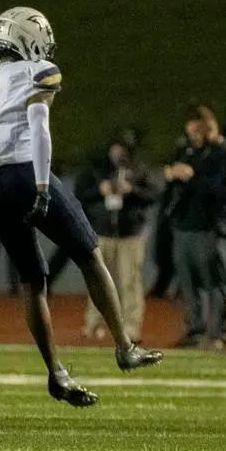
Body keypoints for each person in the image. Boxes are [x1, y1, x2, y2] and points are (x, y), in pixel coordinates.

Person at [0, 6, 161, 407]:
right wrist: (43, 186)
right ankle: (124, 346)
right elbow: (38, 124)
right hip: (26, 172)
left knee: (32, 281)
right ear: (29, 38)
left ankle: (57, 373)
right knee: (89, 254)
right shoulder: (38, 71)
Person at [74, 135, 163, 341]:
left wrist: (132, 191)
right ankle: (94, 323)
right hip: (102, 233)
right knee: (99, 281)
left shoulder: (139, 168)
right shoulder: (97, 168)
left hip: (130, 235)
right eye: (115, 149)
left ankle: (131, 327)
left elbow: (154, 195)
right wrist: (99, 190)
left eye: (122, 149)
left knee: (129, 282)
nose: (118, 153)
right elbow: (80, 194)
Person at [165, 104, 226, 349]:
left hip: (211, 226)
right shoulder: (187, 152)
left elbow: (223, 190)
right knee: (189, 283)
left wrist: (190, 176)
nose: (194, 135)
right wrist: (172, 175)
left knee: (216, 281)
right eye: (191, 131)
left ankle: (219, 332)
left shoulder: (224, 153)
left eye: (198, 130)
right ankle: (195, 330)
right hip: (185, 225)